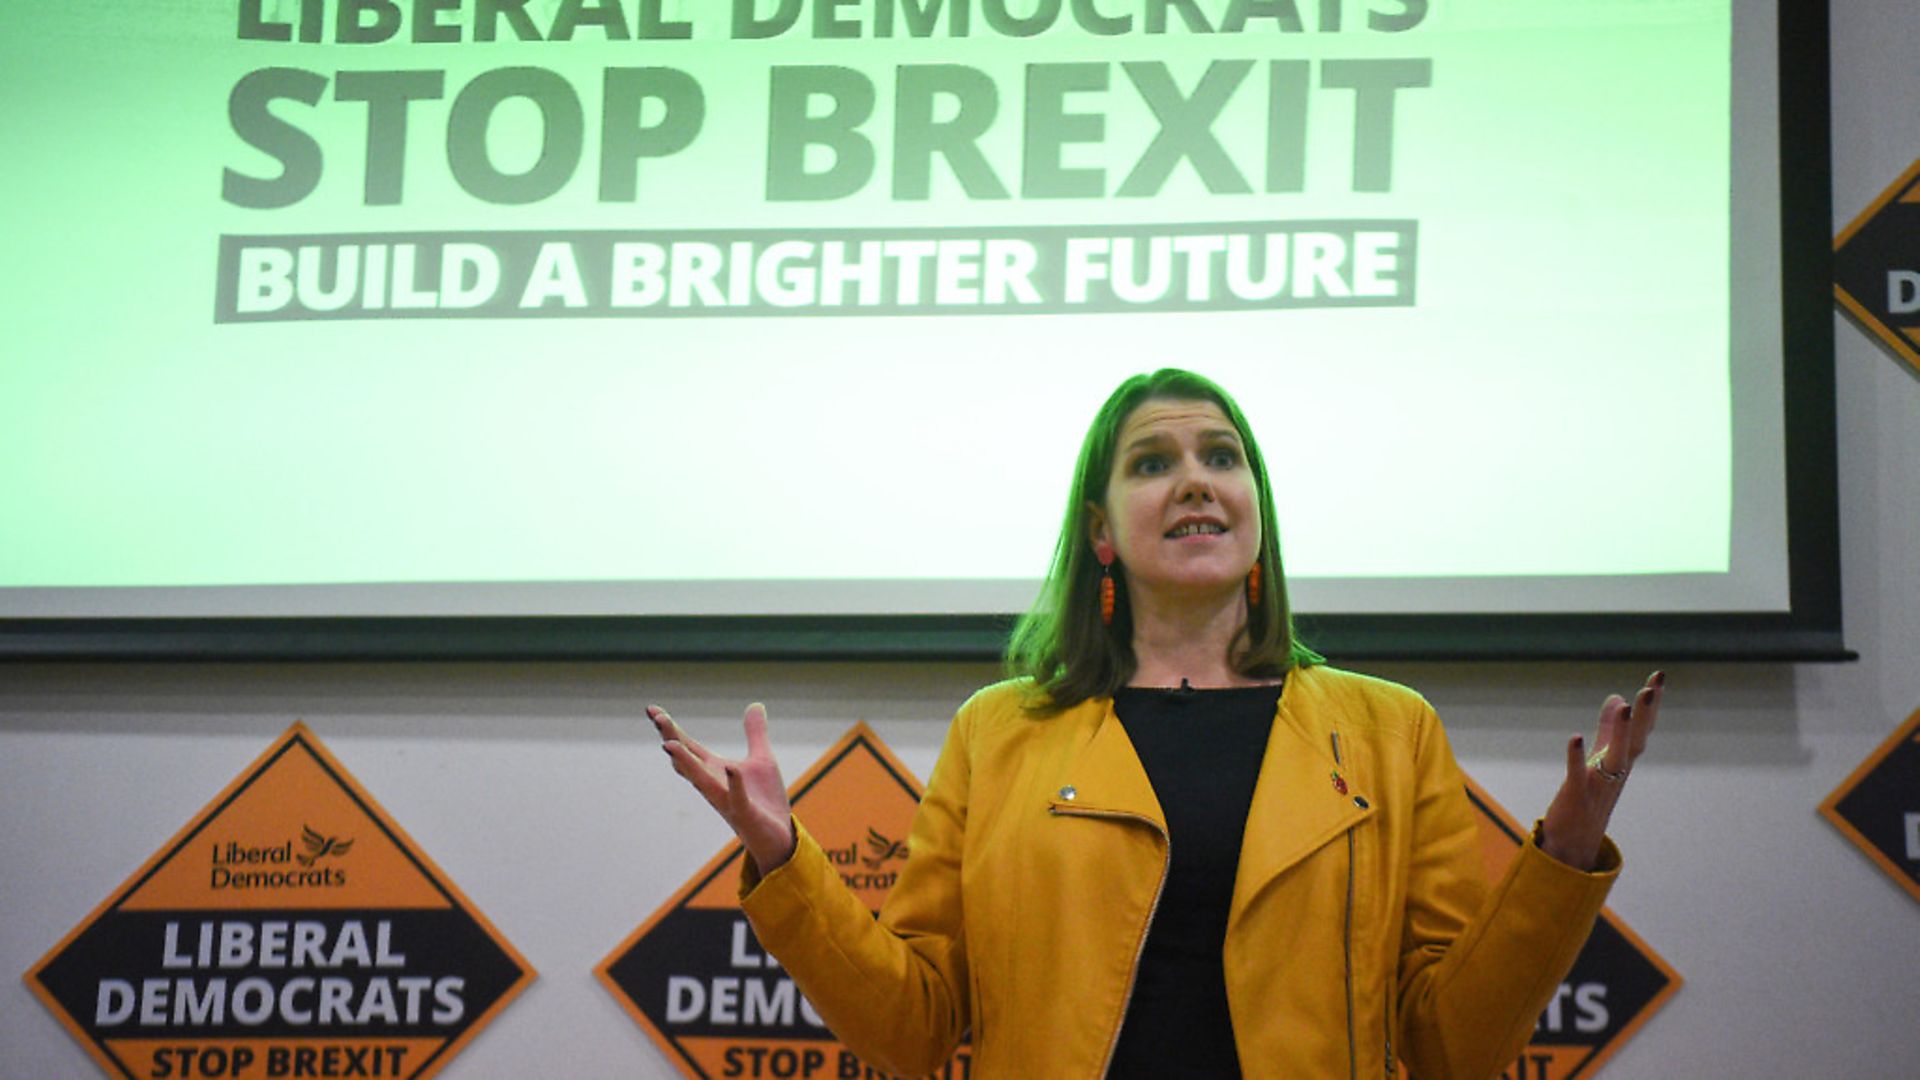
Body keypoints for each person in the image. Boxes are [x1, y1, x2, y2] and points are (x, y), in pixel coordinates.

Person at [648, 368, 1659, 1079]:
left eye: (1221, 456)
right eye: (1151, 462)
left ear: (1255, 509)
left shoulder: (1391, 731)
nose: (1192, 478)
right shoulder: (999, 733)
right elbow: (911, 1031)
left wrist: (1562, 859)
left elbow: (1451, 1049)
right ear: (1099, 529)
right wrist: (785, 860)